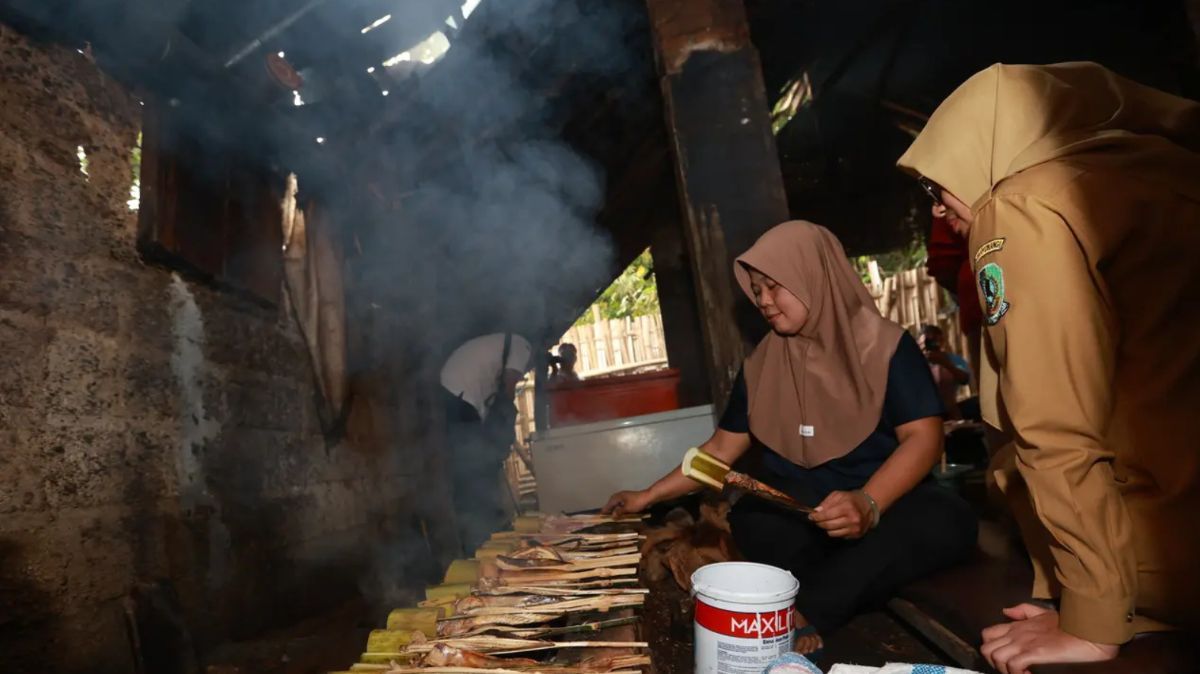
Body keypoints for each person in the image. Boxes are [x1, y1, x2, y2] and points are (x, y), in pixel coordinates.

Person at [897, 62, 1200, 673]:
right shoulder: (1162, 173)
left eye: (935, 189)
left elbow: (1055, 428)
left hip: (1161, 555)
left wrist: (1093, 617)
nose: (936, 213)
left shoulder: (1023, 207)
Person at [602, 221, 977, 655]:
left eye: (773, 287)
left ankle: (802, 610)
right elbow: (720, 451)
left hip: (884, 508)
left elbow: (924, 438)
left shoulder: (886, 347)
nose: (762, 300)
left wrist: (868, 502)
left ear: (812, 277)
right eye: (756, 289)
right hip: (808, 517)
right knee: (755, 516)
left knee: (944, 518)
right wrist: (647, 496)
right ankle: (825, 593)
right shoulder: (762, 364)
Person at [440, 332, 533, 552]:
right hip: (459, 395)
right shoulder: (522, 346)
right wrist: (504, 424)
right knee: (475, 466)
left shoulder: (503, 345)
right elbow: (508, 391)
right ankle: (481, 534)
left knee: (473, 462)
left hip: (452, 390)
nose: (523, 376)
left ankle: (481, 525)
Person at [918, 324, 971, 420]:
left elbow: (965, 379)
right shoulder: (916, 364)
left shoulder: (952, 359)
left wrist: (945, 363)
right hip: (927, 416)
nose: (930, 345)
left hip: (951, 412)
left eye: (934, 340)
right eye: (926, 342)